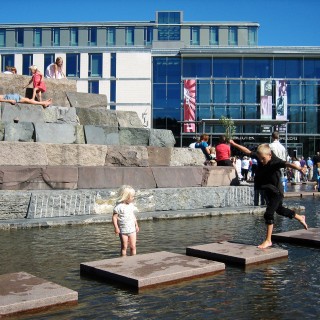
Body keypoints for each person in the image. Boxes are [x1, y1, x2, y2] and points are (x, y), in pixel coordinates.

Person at [229, 140, 308, 249]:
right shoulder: (261, 155)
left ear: (270, 155)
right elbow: (248, 152)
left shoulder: (275, 162)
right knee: (279, 210)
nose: (261, 161)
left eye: (263, 159)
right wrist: (234, 144)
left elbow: (287, 164)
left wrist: (299, 169)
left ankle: (268, 240)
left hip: (276, 191)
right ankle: (300, 217)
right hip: (268, 190)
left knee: (269, 214)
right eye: (259, 158)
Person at [112, 185, 140, 256]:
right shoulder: (119, 207)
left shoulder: (131, 205)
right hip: (123, 231)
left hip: (132, 230)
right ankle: (123, 260)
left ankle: (134, 259)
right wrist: (116, 228)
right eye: (132, 196)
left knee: (133, 246)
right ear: (126, 197)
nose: (133, 198)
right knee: (124, 247)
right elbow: (114, 217)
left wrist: (136, 225)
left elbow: (133, 216)